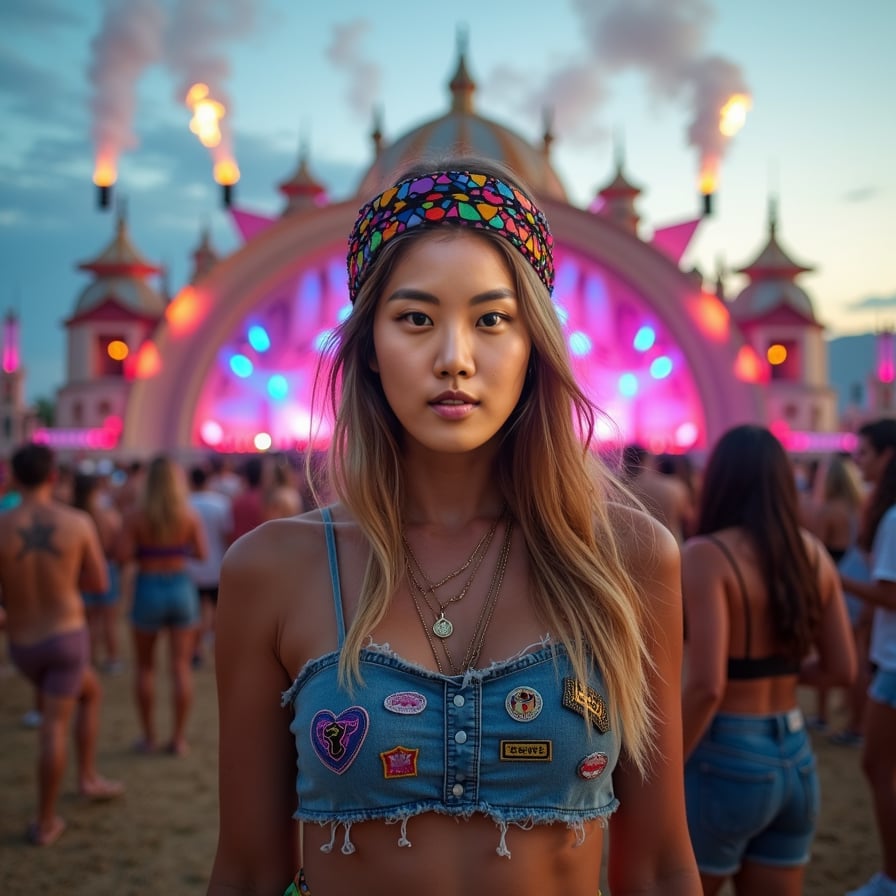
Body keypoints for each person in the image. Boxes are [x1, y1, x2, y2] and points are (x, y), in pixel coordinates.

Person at [208, 159, 700, 896]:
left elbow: (659, 867)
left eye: (491, 319)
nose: (454, 360)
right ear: (368, 349)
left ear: (533, 342)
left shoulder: (626, 560)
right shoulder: (274, 570)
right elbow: (248, 872)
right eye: (415, 318)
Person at [680, 425, 856, 895]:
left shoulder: (706, 555)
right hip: (796, 755)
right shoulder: (813, 554)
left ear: (720, 479)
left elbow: (707, 685)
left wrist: (663, 763)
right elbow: (843, 669)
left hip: (725, 752)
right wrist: (780, 673)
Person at [0, 442, 124, 846]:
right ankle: (45, 819)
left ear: (14, 477)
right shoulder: (76, 522)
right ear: (54, 476)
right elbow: (99, 583)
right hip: (65, 636)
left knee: (90, 693)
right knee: (54, 726)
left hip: (22, 644)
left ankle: (87, 777)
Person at [839, 418, 896, 896]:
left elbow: (890, 594)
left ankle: (891, 876)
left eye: (866, 452)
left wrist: (835, 580)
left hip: (894, 664)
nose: (859, 461)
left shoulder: (894, 517)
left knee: (878, 766)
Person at [118, 454, 207, 756]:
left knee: (145, 667)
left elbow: (121, 555)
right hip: (181, 587)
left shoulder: (135, 516)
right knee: (180, 667)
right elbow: (202, 554)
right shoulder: (188, 514)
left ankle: (148, 737)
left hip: (148, 586)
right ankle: (179, 739)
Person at [804, 453, 871, 740]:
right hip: (859, 583)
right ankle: (857, 720)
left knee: (827, 651)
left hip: (836, 584)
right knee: (858, 653)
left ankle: (823, 715)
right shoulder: (861, 509)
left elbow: (815, 556)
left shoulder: (827, 512)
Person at [72, 470, 124, 672]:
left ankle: (89, 660)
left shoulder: (73, 515)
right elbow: (116, 545)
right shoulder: (107, 515)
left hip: (80, 570)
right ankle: (112, 658)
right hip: (106, 567)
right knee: (109, 620)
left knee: (87, 620)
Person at [186, 463, 233, 668]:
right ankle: (212, 647)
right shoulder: (221, 504)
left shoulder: (184, 504)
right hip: (216, 565)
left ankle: (196, 649)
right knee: (215, 611)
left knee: (195, 612)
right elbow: (227, 535)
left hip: (191, 568)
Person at [622, 443, 695, 543]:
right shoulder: (675, 487)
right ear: (647, 459)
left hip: (632, 549)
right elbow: (689, 521)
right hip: (672, 547)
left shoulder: (619, 490)